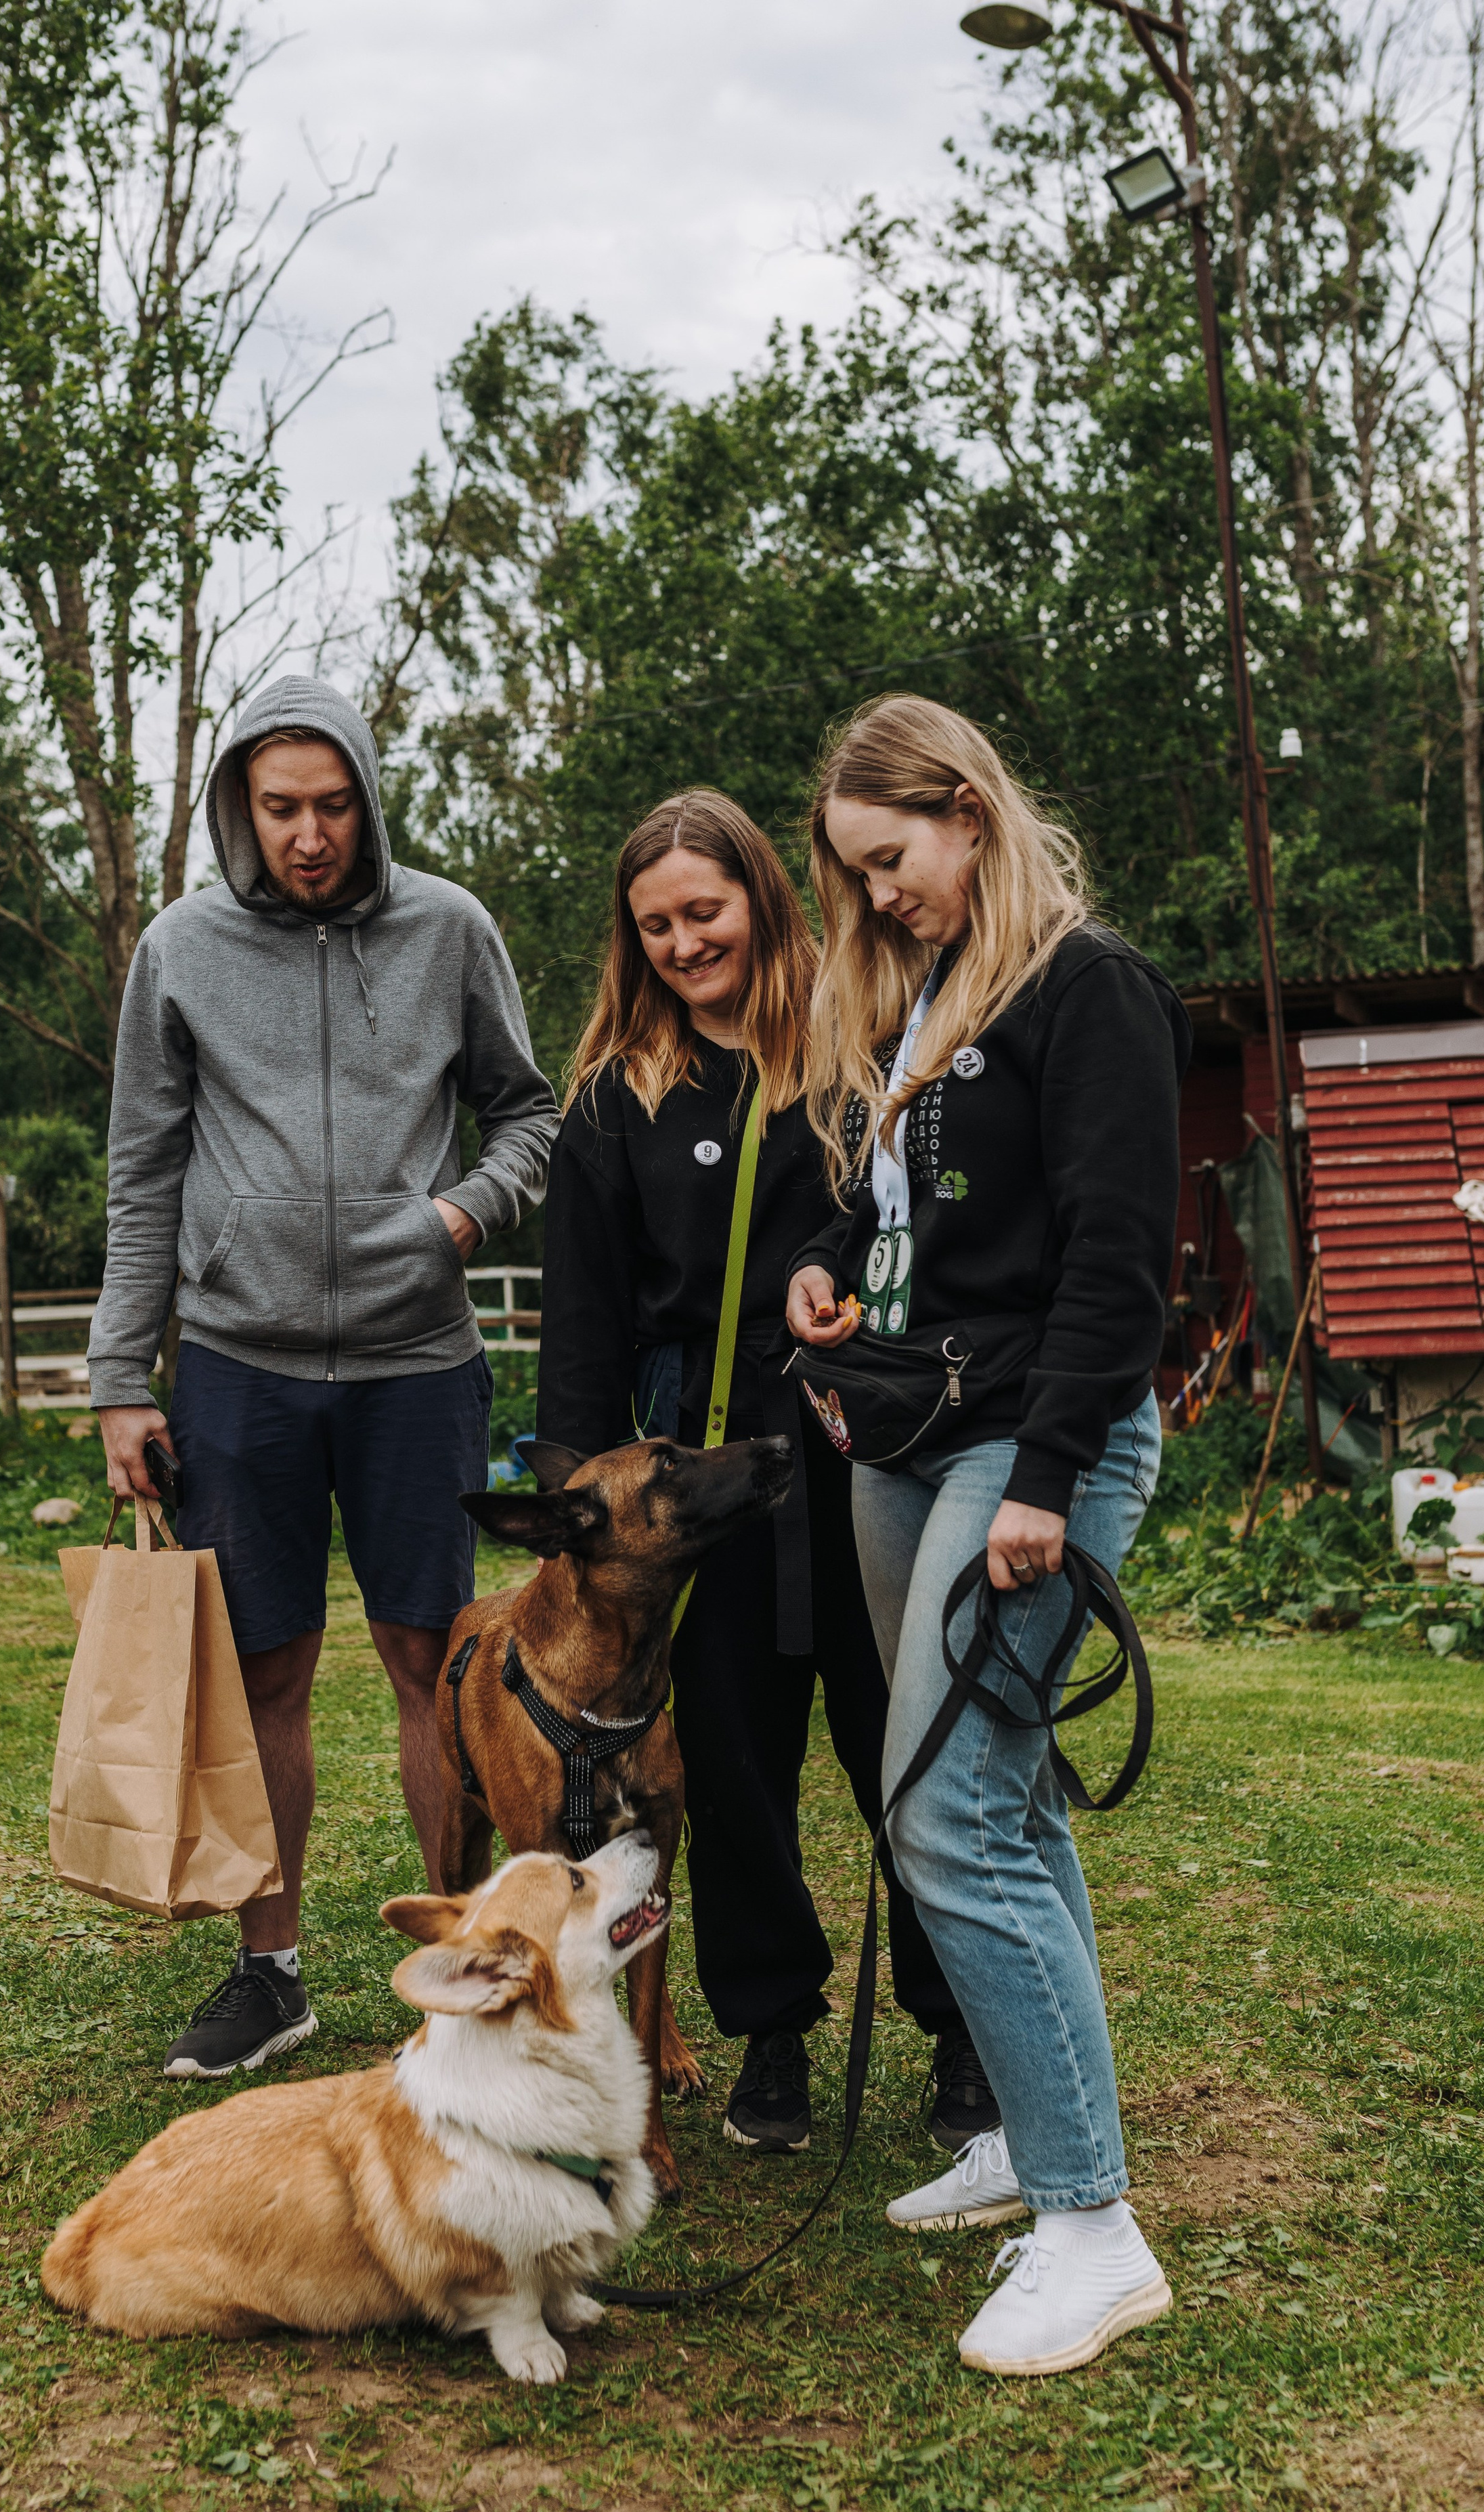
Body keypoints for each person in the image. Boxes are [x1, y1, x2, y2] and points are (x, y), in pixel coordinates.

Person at [787, 694, 1190, 2375]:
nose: (880, 898)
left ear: (963, 809)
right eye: (860, 878)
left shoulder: (1083, 988)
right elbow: (907, 1209)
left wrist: (1043, 1476)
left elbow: (1113, 1261)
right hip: (914, 1438)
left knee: (943, 1811)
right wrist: (822, 1266)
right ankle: (1031, 2141)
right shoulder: (933, 1003)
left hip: (1037, 1446)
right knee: (1005, 1796)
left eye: (891, 862)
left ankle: (1091, 2228)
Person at [88, 674, 557, 2079]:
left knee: (442, 1664)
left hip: (420, 1362)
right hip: (242, 1364)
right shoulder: (179, 948)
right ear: (240, 802)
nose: (308, 834)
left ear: (366, 793)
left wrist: (463, 1215)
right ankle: (269, 1969)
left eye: (332, 803)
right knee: (263, 1671)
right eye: (280, 807)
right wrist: (123, 1375)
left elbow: (526, 1113)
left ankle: (466, 1973)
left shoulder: (447, 928)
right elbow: (141, 1173)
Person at [536, 788, 999, 2159]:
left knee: (901, 1739)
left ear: (759, 895)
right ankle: (774, 2029)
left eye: (705, 910)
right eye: (657, 924)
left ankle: (959, 2026)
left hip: (867, 1445)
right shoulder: (615, 1100)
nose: (684, 942)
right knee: (731, 1757)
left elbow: (921, 1225)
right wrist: (576, 1500)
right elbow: (584, 1324)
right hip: (710, 1472)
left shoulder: (863, 1041)